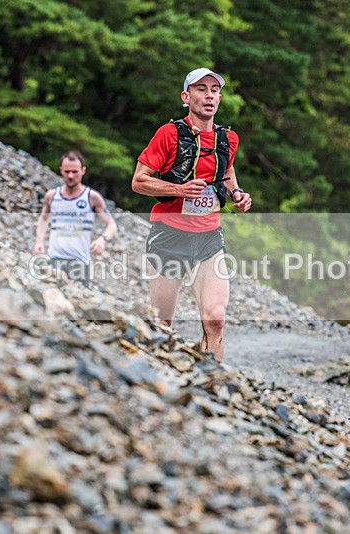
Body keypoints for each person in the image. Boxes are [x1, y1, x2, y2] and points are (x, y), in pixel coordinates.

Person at [131, 67, 252, 362]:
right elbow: (139, 181)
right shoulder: (169, 134)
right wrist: (178, 190)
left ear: (219, 99)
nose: (208, 95)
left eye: (214, 90)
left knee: (215, 318)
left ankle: (214, 386)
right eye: (201, 89)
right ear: (186, 97)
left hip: (209, 236)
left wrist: (236, 194)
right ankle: (158, 381)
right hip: (169, 234)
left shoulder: (228, 138)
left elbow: (227, 170)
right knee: (163, 325)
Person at [32, 151, 117, 286]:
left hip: (80, 262)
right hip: (55, 258)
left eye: (74, 172)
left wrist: (103, 239)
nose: (70, 176)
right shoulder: (52, 196)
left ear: (83, 171)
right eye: (67, 172)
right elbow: (43, 219)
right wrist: (39, 241)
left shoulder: (92, 197)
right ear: (61, 170)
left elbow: (111, 224)